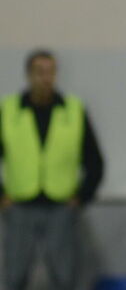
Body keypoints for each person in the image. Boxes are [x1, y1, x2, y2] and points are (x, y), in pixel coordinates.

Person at [1, 50, 105, 290]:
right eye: (39, 72)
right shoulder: (9, 111)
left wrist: (82, 196)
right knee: (15, 276)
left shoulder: (73, 111)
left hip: (61, 207)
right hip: (19, 206)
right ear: (29, 75)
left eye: (50, 72)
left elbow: (95, 161)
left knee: (64, 276)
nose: (45, 78)